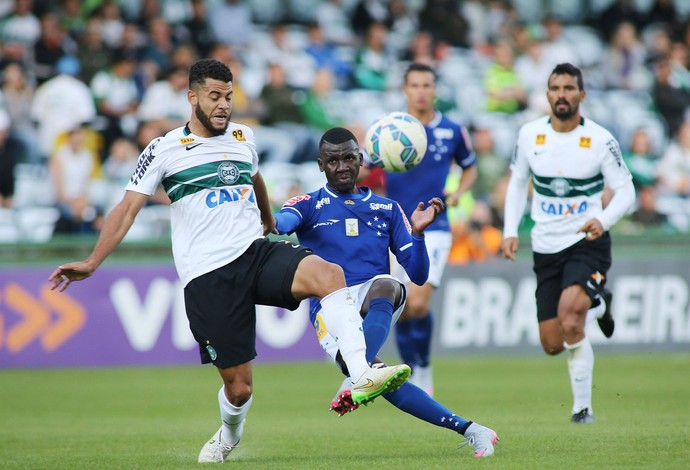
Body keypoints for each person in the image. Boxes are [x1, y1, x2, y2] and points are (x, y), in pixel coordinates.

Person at [48, 59, 411, 463]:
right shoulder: (165, 149)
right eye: (214, 96)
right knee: (240, 389)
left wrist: (269, 219)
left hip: (253, 252)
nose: (223, 105)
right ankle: (228, 434)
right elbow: (127, 209)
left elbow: (255, 177)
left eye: (228, 96)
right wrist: (93, 261)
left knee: (329, 273)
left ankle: (360, 372)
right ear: (192, 97)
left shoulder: (243, 136)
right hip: (208, 275)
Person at [274, 127, 499, 457]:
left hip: (373, 294)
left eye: (349, 158)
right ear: (320, 165)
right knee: (384, 381)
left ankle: (357, 372)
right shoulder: (309, 204)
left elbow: (419, 275)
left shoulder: (387, 209)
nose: (341, 166)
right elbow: (280, 223)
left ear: (360, 160)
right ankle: (473, 429)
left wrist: (419, 234)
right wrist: (265, 215)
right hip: (327, 309)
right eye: (332, 160)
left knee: (389, 283)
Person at [501, 63, 636, 424]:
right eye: (556, 88)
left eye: (569, 88)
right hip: (545, 246)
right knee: (552, 343)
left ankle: (582, 410)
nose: (562, 94)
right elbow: (516, 183)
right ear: (547, 95)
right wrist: (510, 231)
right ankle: (600, 303)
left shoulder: (600, 139)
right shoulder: (529, 135)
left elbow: (626, 190)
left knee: (571, 318)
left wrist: (603, 220)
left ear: (582, 94)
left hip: (586, 241)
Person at [386, 63, 478, 396]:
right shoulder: (389, 130)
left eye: (427, 84)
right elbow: (364, 166)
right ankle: (410, 368)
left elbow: (470, 167)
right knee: (401, 305)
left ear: (435, 89)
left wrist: (458, 191)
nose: (421, 91)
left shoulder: (451, 130)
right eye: (415, 85)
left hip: (434, 225)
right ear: (405, 90)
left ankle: (422, 368)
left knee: (419, 303)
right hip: (394, 227)